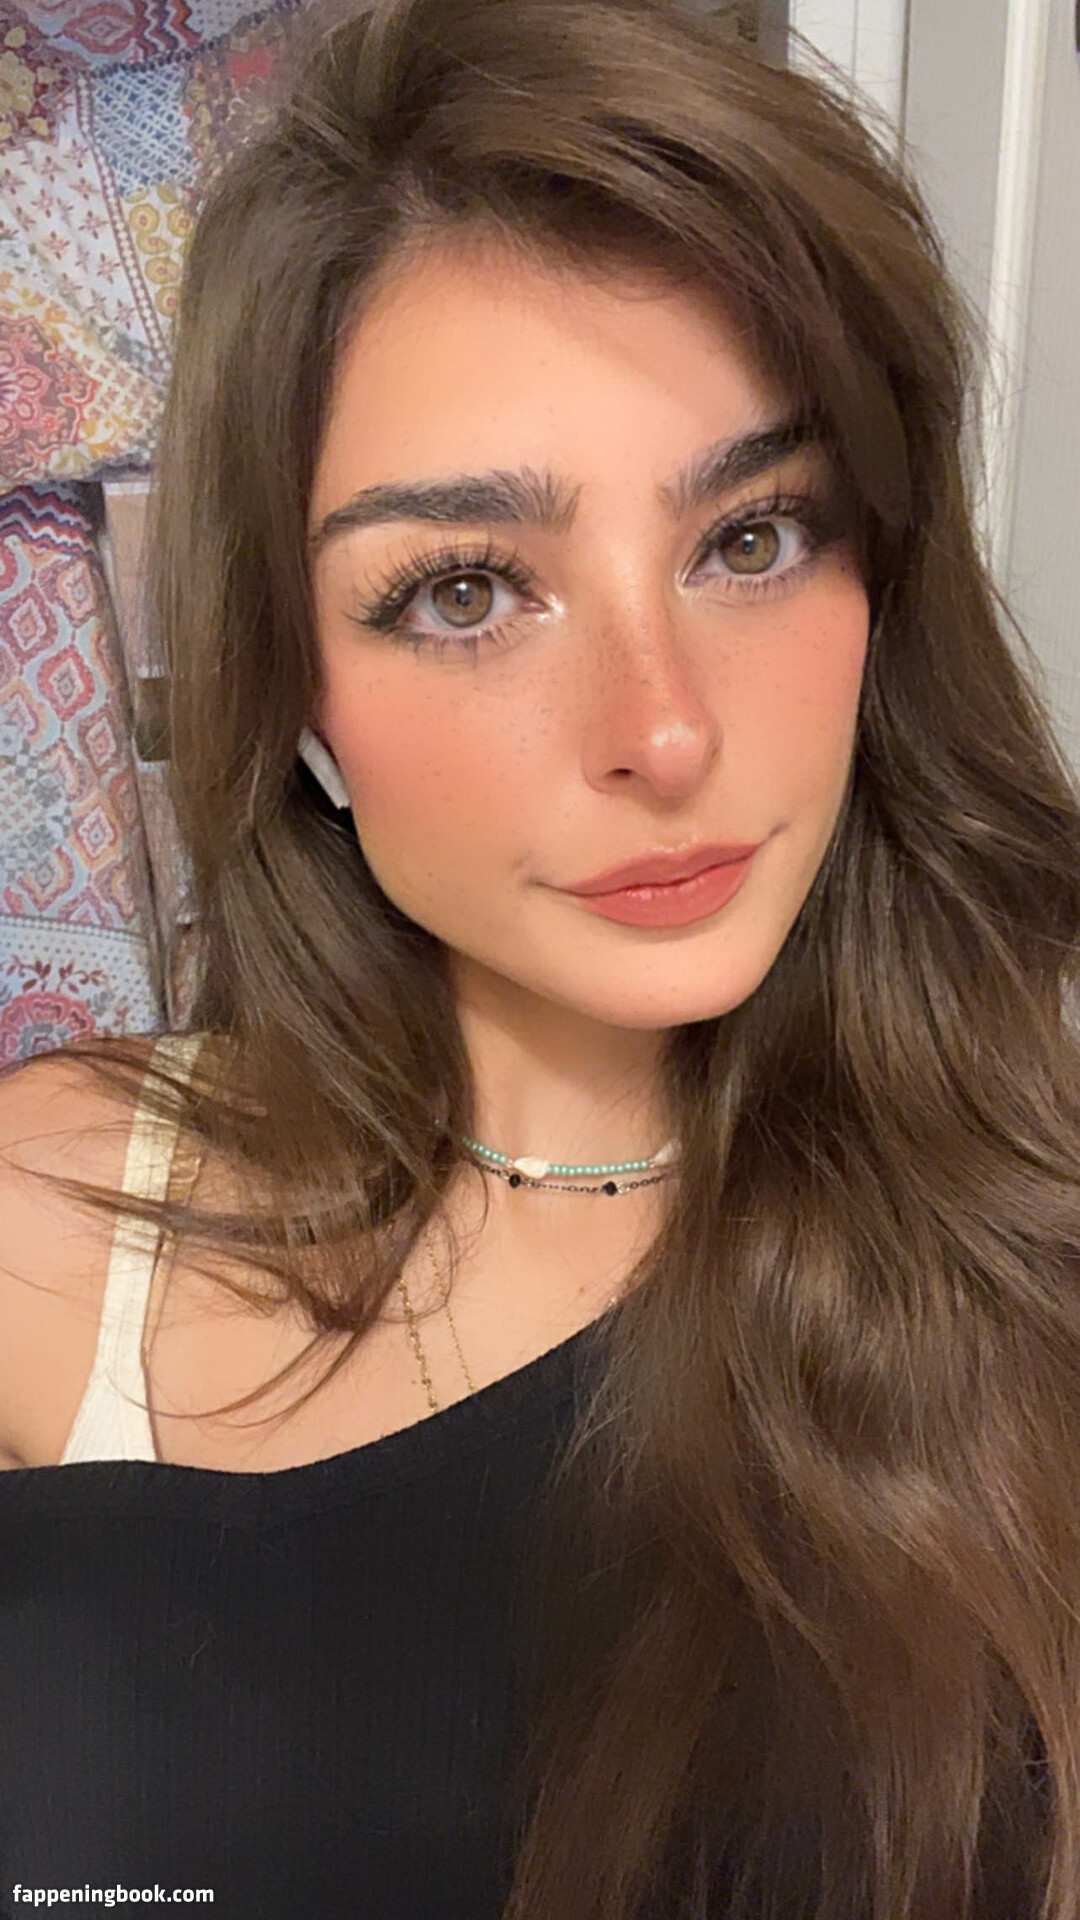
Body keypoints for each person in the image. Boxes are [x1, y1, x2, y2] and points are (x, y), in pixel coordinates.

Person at [0, 0, 1076, 1914]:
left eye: (753, 536)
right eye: (468, 590)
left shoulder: (1025, 1270)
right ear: (296, 691)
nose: (662, 730)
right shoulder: (43, 1224)